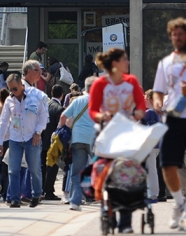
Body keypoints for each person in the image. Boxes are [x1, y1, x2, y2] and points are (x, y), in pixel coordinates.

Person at [88, 48, 144, 232]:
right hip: (107, 133)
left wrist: (139, 112)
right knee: (109, 173)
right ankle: (109, 211)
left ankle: (125, 221)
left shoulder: (132, 82)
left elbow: (141, 103)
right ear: (115, 64)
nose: (127, 63)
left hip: (127, 133)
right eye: (124, 60)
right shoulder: (100, 84)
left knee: (126, 173)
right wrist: (101, 116)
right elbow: (93, 110)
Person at [152, 17, 186, 230]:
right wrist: (158, 102)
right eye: (174, 34)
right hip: (172, 118)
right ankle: (179, 204)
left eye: (180, 34)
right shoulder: (165, 63)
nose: (177, 38)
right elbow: (158, 91)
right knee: (167, 165)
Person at [0, 71, 49, 208]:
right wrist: (0, 143)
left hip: (31, 137)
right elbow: (4, 122)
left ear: (22, 85)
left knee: (34, 169)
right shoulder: (9, 100)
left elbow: (43, 116)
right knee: (13, 169)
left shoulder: (36, 96)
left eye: (15, 88)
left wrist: (38, 132)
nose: (13, 92)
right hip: (15, 138)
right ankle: (15, 199)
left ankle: (36, 195)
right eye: (10, 89)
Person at [61, 75, 98, 212]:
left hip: (77, 139)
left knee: (77, 171)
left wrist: (62, 131)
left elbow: (63, 116)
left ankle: (75, 202)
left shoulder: (77, 101)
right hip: (93, 139)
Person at [42, 84, 65, 200]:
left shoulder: (46, 105)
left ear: (51, 93)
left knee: (43, 167)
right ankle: (49, 191)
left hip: (43, 140)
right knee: (52, 167)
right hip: (53, 142)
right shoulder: (59, 109)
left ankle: (42, 189)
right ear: (62, 95)